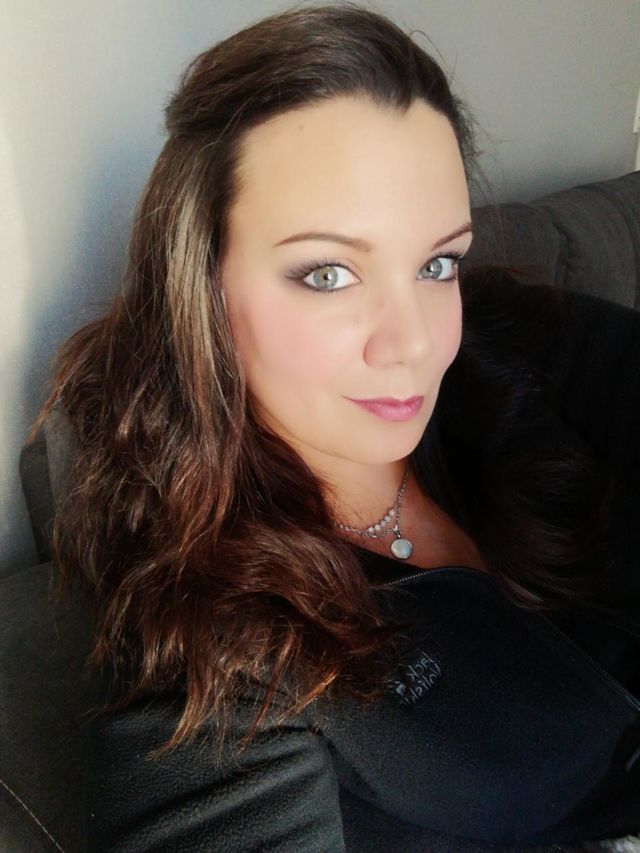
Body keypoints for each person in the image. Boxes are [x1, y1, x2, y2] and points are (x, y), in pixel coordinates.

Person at [28, 2, 640, 850]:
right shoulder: (216, 659)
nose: (413, 344)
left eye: (436, 263)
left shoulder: (505, 345)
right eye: (327, 273)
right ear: (200, 288)